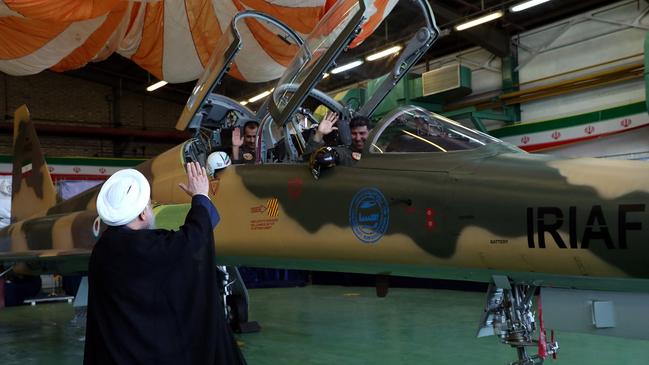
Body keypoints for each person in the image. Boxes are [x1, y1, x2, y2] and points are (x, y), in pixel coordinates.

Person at [84, 162, 246, 365]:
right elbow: (194, 241)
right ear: (143, 213)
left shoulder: (101, 250)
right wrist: (200, 196)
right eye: (150, 206)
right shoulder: (152, 248)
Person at [305, 112, 371, 166]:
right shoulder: (344, 154)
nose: (358, 138)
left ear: (370, 133)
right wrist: (319, 134)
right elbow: (308, 161)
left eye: (362, 133)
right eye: (354, 133)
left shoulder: (378, 152)